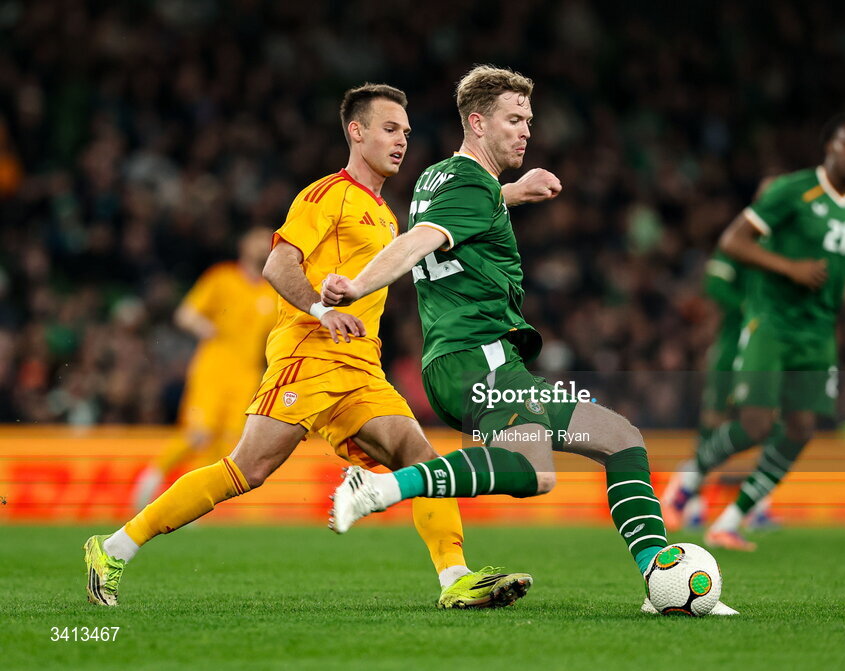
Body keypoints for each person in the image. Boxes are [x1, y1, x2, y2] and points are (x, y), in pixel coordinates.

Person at [85, 83, 557, 609]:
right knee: (248, 469)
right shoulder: (325, 195)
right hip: (308, 355)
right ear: (356, 132)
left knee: (417, 454)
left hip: (360, 369)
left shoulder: (384, 214)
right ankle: (112, 548)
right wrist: (321, 308)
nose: (401, 141)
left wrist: (510, 193)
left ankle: (456, 580)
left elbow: (441, 228)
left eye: (406, 131)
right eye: (389, 129)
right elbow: (277, 264)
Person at [320, 65, 737, 615]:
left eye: (529, 121)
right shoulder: (471, 185)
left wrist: (511, 191)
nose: (526, 131)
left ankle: (660, 579)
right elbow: (423, 238)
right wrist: (357, 285)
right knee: (535, 471)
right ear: (477, 122)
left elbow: (461, 215)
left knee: (620, 438)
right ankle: (377, 490)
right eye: (513, 119)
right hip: (477, 363)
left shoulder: (438, 178)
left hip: (480, 362)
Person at [689, 114, 845, 551]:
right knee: (740, 421)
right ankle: (690, 484)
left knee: (800, 426)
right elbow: (717, 277)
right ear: (829, 145)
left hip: (816, 335)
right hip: (760, 331)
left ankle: (734, 514)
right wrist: (788, 272)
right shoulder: (785, 212)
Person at [659, 182, 779, 532]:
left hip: (769, 347)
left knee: (765, 421)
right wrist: (749, 306)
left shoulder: (787, 244)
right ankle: (690, 493)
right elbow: (715, 285)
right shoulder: (743, 238)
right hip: (734, 346)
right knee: (715, 420)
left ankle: (753, 503)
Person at [131, 228, 277, 510]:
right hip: (213, 368)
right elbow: (186, 314)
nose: (264, 246)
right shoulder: (222, 278)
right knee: (199, 433)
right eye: (258, 240)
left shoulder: (272, 292)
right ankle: (153, 476)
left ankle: (190, 504)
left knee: (228, 443)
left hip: (247, 374)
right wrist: (205, 327)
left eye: (268, 242)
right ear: (244, 245)